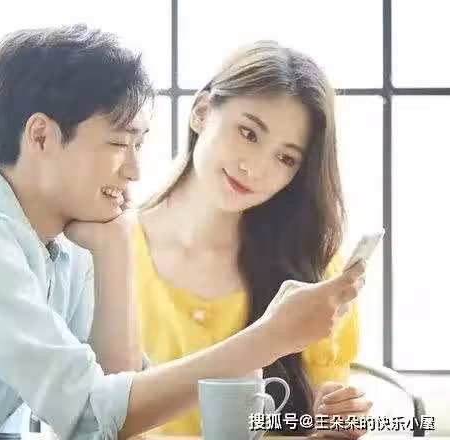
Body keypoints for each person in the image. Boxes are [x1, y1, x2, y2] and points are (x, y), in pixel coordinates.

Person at [0, 26, 365, 440]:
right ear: (41, 136)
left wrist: (112, 250)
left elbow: (113, 406)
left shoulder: (64, 249)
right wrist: (269, 337)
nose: (134, 170)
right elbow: (95, 414)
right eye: (118, 144)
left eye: (140, 144)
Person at [135, 41, 372, 437]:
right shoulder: (109, 250)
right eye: (248, 133)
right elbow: (94, 416)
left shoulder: (313, 268)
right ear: (201, 111)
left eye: (286, 158)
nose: (256, 168)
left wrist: (335, 423)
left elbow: (317, 423)